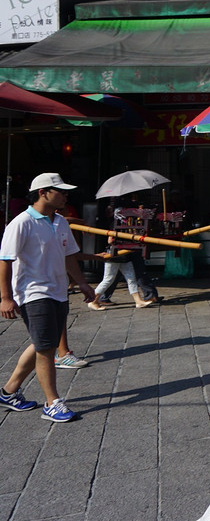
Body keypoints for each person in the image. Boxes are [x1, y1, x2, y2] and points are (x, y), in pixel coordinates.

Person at [0, 173, 98, 422]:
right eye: (61, 191)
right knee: (45, 348)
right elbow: (6, 260)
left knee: (45, 343)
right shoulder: (21, 222)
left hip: (58, 290)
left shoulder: (60, 222)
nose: (66, 195)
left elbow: (69, 256)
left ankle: (9, 391)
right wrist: (5, 297)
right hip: (33, 293)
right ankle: (52, 402)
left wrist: (83, 284)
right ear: (43, 192)